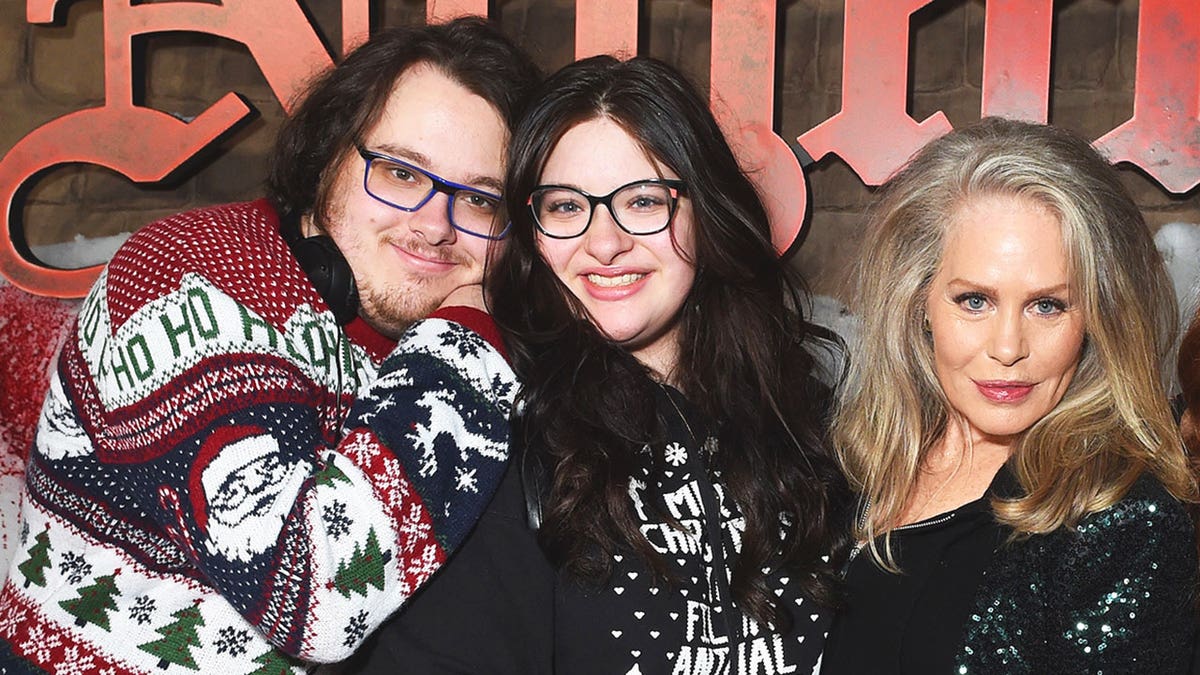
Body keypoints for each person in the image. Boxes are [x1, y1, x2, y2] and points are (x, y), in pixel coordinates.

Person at [0, 17, 539, 673]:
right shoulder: (189, 274)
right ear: (327, 157)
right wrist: (471, 325)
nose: (434, 226)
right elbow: (314, 593)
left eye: (481, 201)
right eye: (400, 173)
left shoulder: (398, 338)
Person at [488, 55, 847, 674]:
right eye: (567, 207)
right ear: (533, 230)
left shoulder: (812, 422)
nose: (604, 243)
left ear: (704, 213)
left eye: (644, 199)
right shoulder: (500, 438)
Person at [820, 117, 1199, 674]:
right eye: (974, 300)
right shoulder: (848, 464)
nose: (1007, 348)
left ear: (1095, 317)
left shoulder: (1119, 521)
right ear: (918, 300)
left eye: (1048, 305)